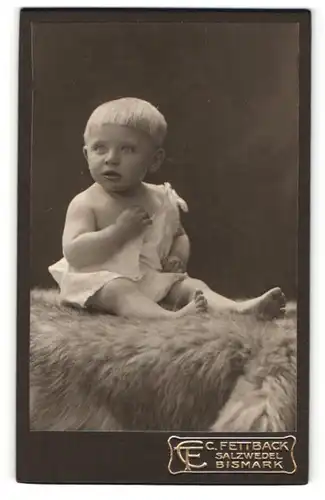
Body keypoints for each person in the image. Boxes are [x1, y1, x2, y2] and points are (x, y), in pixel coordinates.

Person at [49, 97, 286, 320]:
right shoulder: (86, 202)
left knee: (191, 286)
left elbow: (179, 234)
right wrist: (118, 232)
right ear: (86, 154)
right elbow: (75, 253)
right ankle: (169, 318)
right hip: (97, 281)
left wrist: (176, 256)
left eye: (127, 149)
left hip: (148, 277)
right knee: (118, 290)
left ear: (155, 160)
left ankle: (237, 309)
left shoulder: (161, 198)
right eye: (100, 148)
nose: (111, 159)